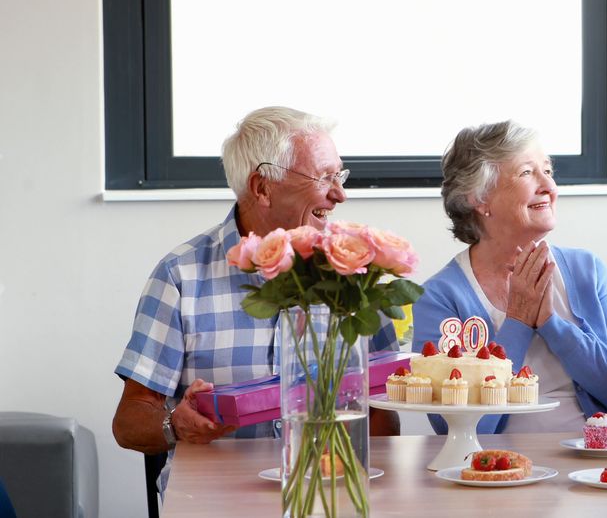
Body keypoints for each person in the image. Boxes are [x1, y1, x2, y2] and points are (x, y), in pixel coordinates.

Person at [112, 106, 398, 497]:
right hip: (216, 501)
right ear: (262, 187)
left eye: (340, 175)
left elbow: (382, 408)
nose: (340, 194)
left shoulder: (355, 271)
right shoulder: (181, 275)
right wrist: (175, 425)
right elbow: (128, 422)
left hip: (330, 496)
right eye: (325, 177)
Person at [412, 120, 607, 434]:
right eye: (527, 172)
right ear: (478, 197)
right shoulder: (440, 296)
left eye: (548, 171)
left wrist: (553, 327)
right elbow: (456, 428)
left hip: (594, 465)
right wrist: (518, 322)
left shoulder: (587, 270)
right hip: (493, 472)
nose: (548, 187)